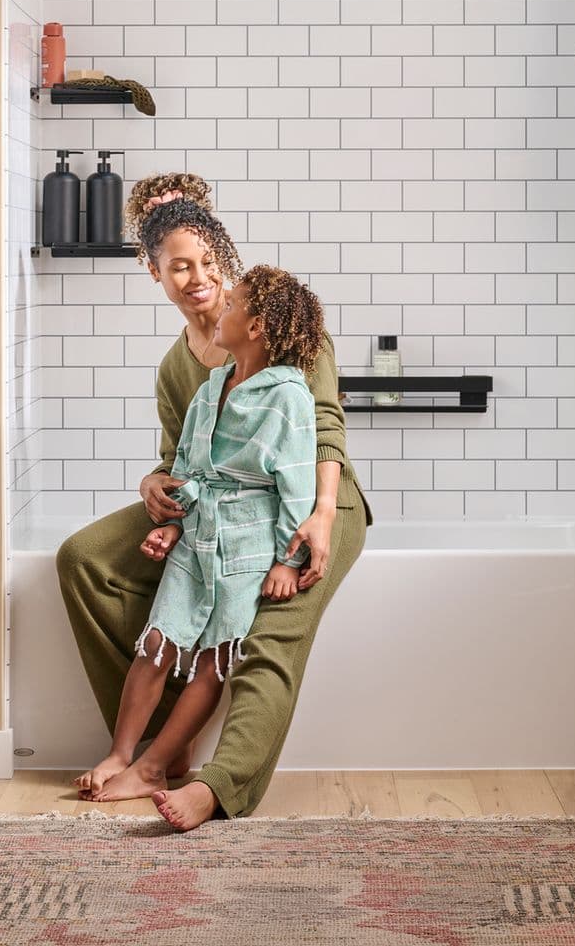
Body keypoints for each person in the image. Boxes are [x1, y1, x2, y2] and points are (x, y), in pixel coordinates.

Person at [56, 176, 373, 831]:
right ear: (154, 271)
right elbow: (181, 457)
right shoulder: (179, 369)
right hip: (214, 512)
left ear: (222, 255)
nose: (198, 279)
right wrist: (153, 485)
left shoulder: (279, 325)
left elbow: (326, 424)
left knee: (269, 632)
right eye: (178, 266)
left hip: (310, 500)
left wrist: (315, 519)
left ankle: (216, 785)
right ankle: (156, 747)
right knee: (84, 559)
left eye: (207, 262)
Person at [77, 267, 326, 805]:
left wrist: (288, 560)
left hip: (253, 539)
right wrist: (170, 523)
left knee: (215, 660)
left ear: (257, 326)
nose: (221, 309)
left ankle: (153, 767)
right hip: (199, 533)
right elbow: (188, 465)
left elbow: (298, 487)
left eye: (232, 304)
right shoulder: (213, 385)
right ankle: (122, 752)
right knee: (157, 641)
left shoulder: (290, 396)